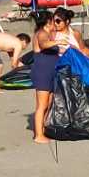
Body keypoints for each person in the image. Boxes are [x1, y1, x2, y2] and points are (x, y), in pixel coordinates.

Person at [30, 11, 62, 144]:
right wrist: (58, 41)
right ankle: (38, 135)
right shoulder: (42, 33)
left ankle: (42, 130)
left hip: (50, 71)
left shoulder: (48, 33)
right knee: (42, 105)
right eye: (53, 20)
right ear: (48, 21)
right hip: (42, 72)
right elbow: (43, 44)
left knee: (49, 103)